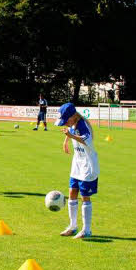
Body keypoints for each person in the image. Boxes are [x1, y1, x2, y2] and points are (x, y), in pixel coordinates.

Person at [56, 102, 98, 239]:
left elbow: (86, 140)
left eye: (65, 120)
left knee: (85, 196)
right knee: (72, 191)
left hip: (88, 166)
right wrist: (66, 141)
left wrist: (71, 136)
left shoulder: (83, 125)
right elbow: (71, 131)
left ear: (73, 116)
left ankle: (86, 230)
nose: (64, 124)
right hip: (77, 164)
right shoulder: (73, 124)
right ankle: (73, 226)